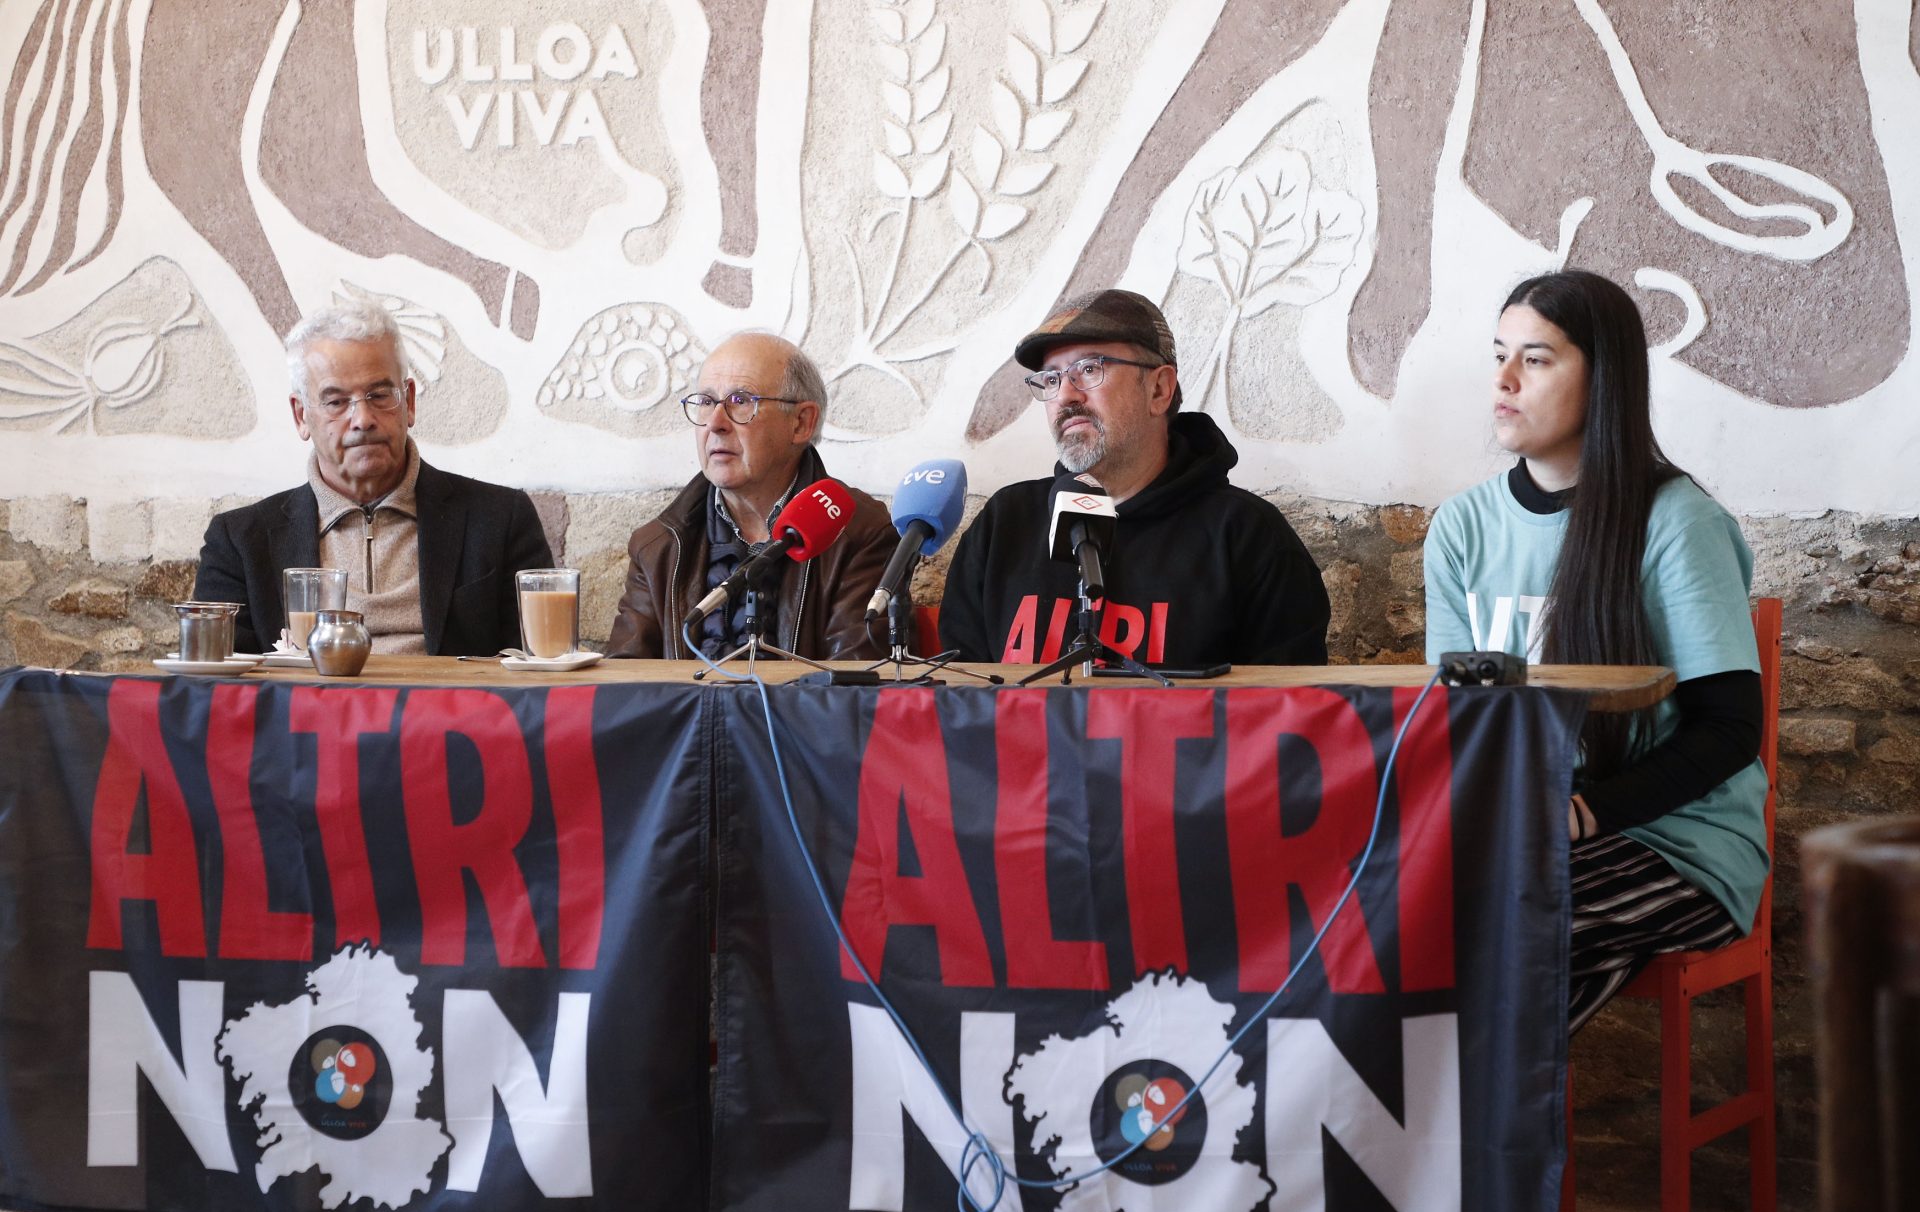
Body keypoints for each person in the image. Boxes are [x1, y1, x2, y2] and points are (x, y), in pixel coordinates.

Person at [1423, 268, 1768, 1031]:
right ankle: (1475, 1102)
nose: (1504, 380)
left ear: (1603, 378)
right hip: (1527, 831)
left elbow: (1730, 729)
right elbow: (1455, 720)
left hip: (1675, 842)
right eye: (1499, 355)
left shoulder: (1676, 522)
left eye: (1536, 359)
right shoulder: (1461, 528)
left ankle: (1472, 1104)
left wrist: (1586, 812)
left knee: (1491, 936)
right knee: (1374, 913)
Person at [939, 289, 1329, 667]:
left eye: (1089, 369)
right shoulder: (1005, 524)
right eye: (1052, 378)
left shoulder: (1248, 537)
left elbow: (1287, 704)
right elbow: (958, 693)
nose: (1065, 396)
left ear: (1159, 389)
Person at [193, 301, 552, 656]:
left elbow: (538, 668)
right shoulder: (240, 543)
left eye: (379, 396)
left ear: (409, 402)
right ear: (301, 416)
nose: (363, 419)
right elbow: (215, 683)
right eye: (336, 402)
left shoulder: (501, 521)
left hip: (447, 697)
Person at [605, 332, 897, 660]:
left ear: (801, 423)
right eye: (706, 402)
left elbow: (858, 680)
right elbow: (626, 679)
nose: (715, 424)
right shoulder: (659, 546)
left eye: (741, 401)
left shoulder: (858, 532)